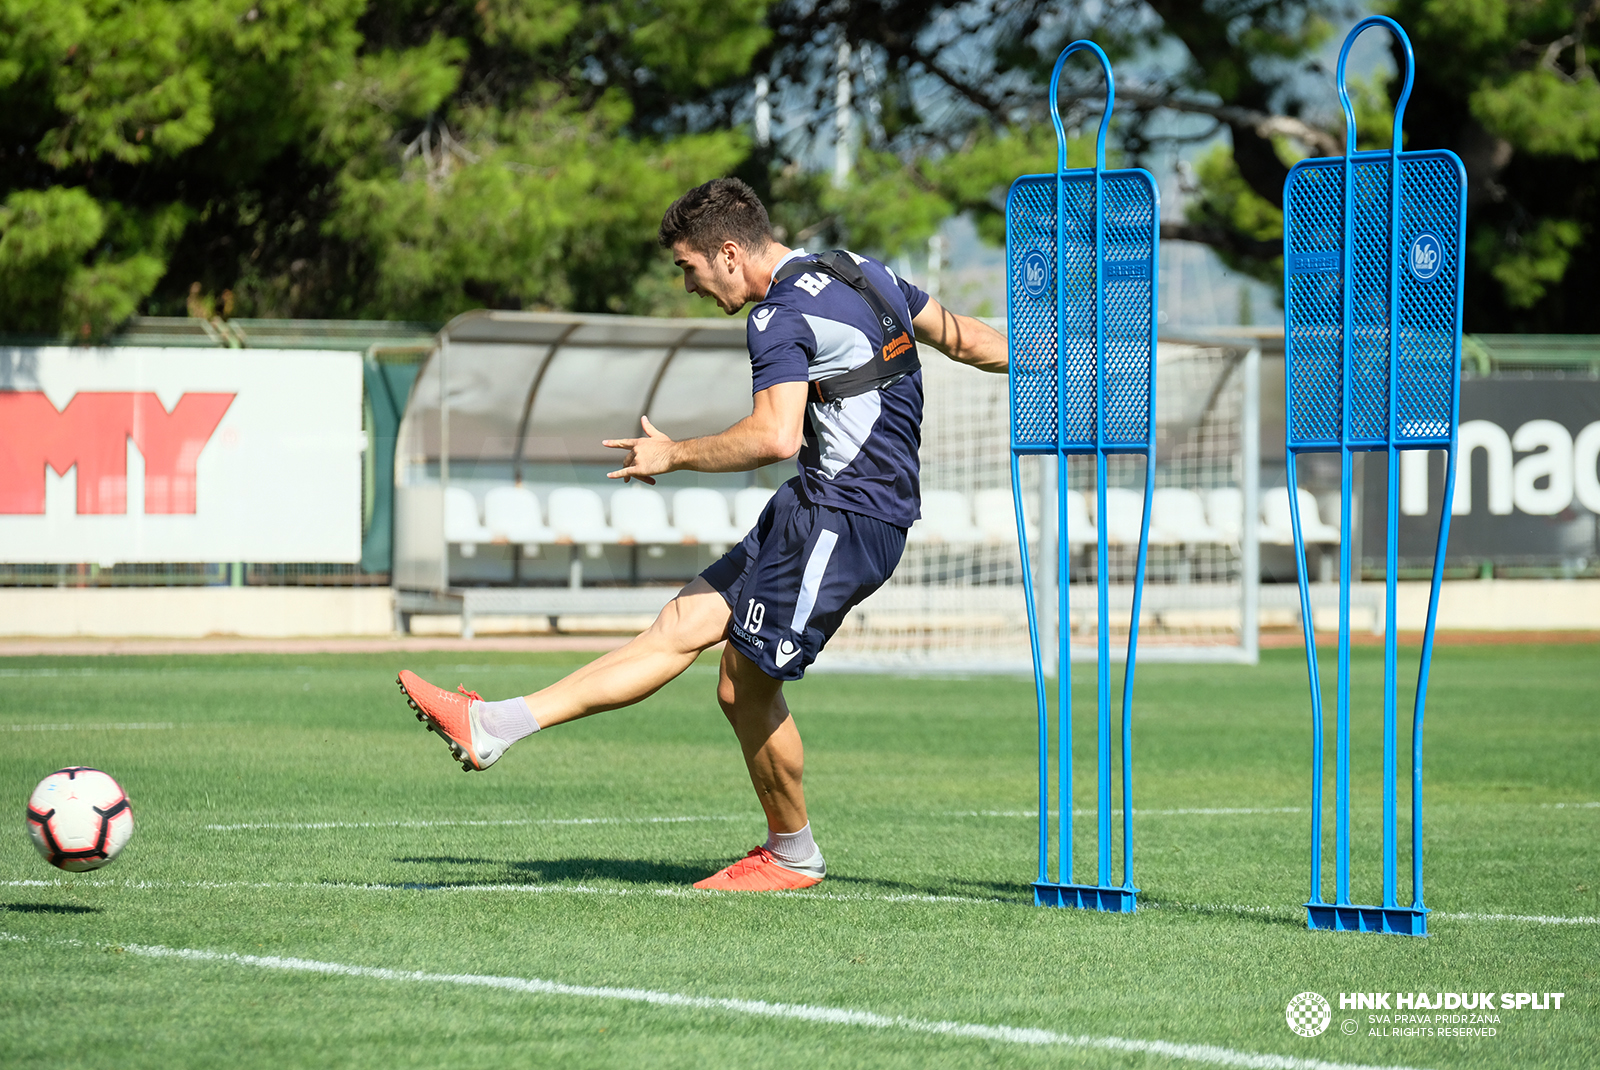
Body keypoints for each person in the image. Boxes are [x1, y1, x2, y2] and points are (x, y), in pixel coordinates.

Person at [397, 177, 1007, 892]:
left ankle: (792, 854)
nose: (687, 285)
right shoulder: (860, 270)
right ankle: (491, 726)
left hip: (845, 518)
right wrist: (1052, 364)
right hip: (814, 505)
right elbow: (968, 340)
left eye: (686, 267)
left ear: (726, 252)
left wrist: (672, 453)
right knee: (679, 625)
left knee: (742, 686)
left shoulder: (776, 317)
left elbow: (774, 435)